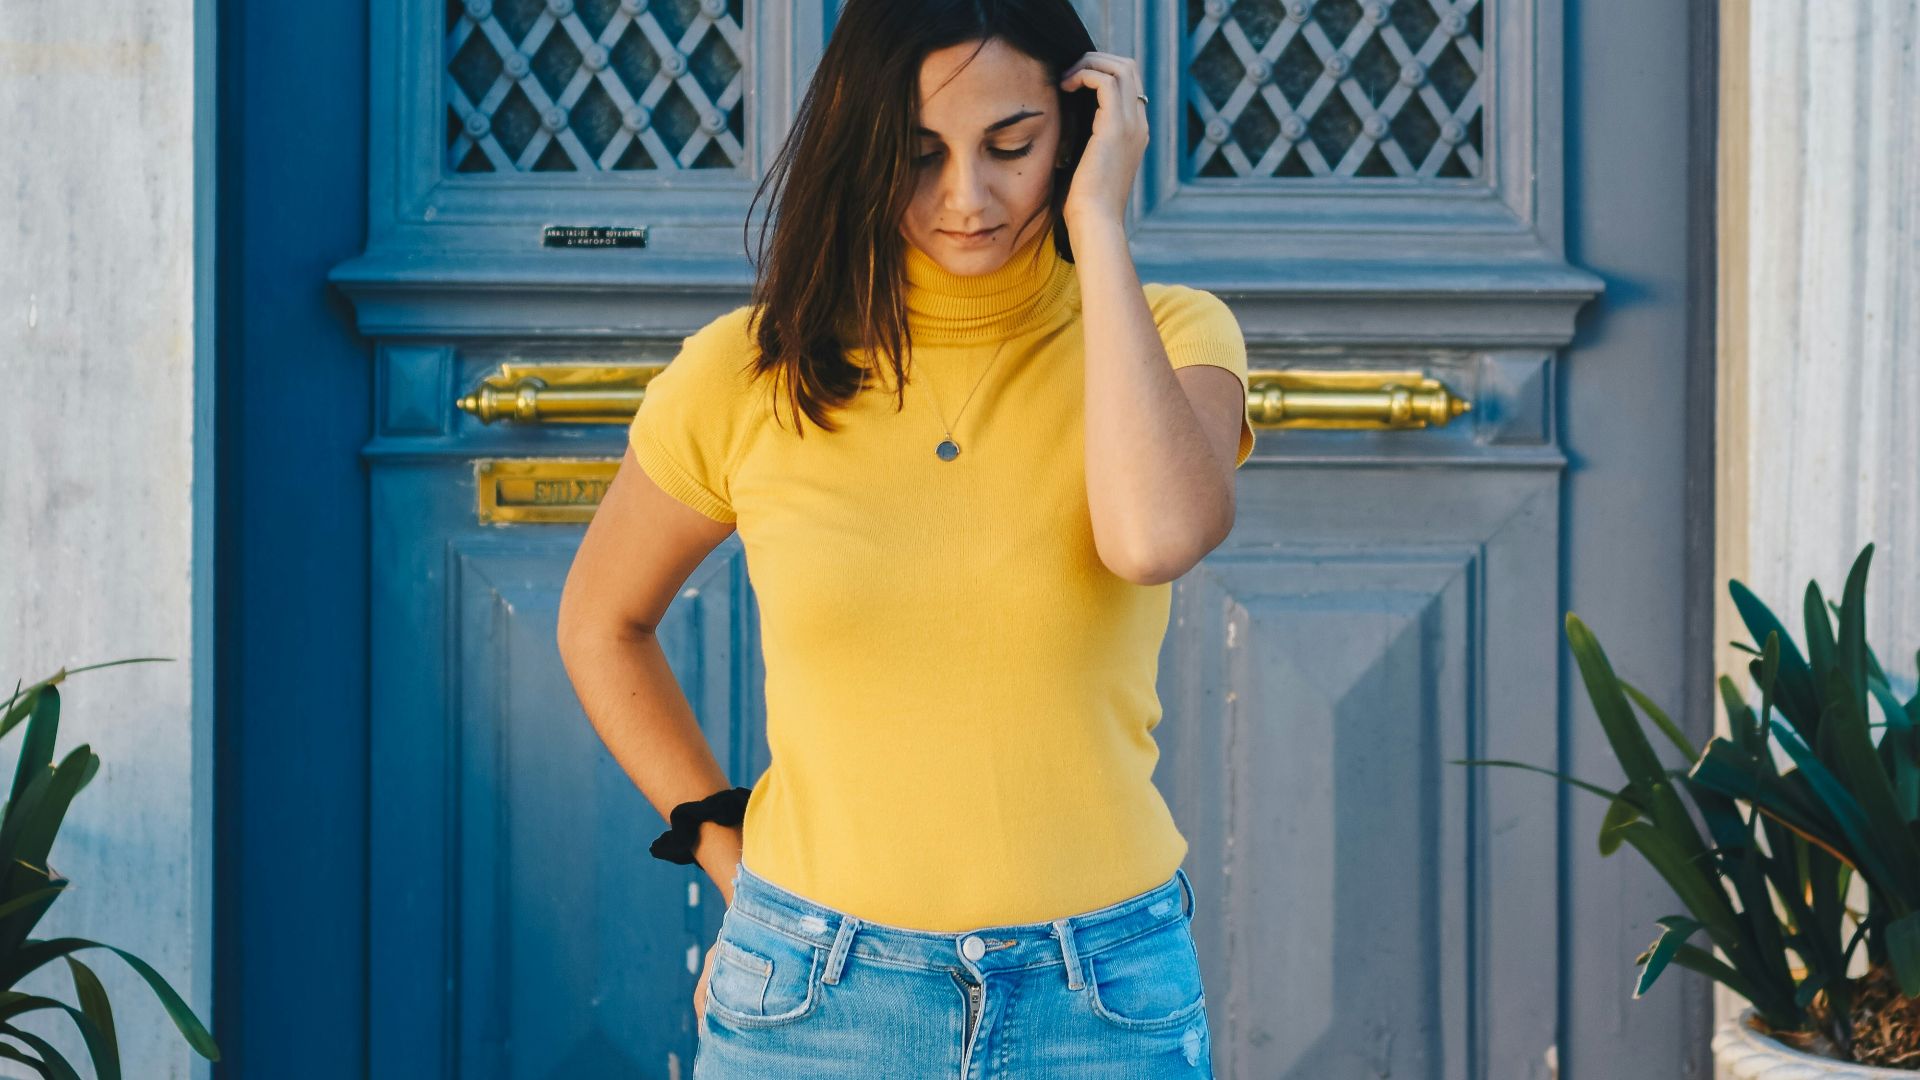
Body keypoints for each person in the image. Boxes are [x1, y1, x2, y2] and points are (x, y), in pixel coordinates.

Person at [556, 0, 1254, 1075]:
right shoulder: (747, 370)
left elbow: (1154, 538)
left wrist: (1101, 226)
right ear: (858, 150)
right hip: (814, 998)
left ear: (1075, 131)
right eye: (918, 155)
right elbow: (604, 621)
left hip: (1101, 1000)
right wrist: (725, 851)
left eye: (1012, 146)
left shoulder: (1169, 332)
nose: (966, 197)